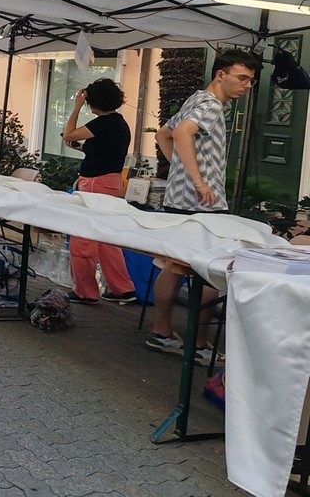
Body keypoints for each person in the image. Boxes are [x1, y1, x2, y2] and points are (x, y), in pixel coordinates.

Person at [148, 48, 260, 365]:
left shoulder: (196, 99)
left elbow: (164, 134)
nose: (247, 85)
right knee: (212, 273)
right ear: (220, 74)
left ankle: (161, 333)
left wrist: (181, 171)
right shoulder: (210, 104)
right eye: (242, 78)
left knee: (173, 265)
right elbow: (182, 132)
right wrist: (198, 181)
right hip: (203, 205)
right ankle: (197, 345)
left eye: (251, 80)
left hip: (180, 201)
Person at [61, 77, 137, 305]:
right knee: (106, 239)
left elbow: (69, 133)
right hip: (111, 182)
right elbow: (102, 151)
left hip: (95, 183)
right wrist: (83, 148)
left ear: (94, 102)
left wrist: (76, 106)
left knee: (83, 237)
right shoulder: (120, 123)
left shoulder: (102, 123)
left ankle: (85, 291)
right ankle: (123, 289)